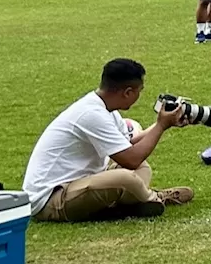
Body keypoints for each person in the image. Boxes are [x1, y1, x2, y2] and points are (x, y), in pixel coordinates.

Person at [22, 58, 196, 222]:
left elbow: (130, 144)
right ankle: (154, 198)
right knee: (124, 177)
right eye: (139, 91)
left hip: (78, 183)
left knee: (141, 168)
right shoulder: (91, 114)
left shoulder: (104, 108)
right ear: (128, 92)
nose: (139, 96)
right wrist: (161, 126)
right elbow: (131, 159)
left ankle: (132, 202)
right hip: (51, 199)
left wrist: (164, 123)